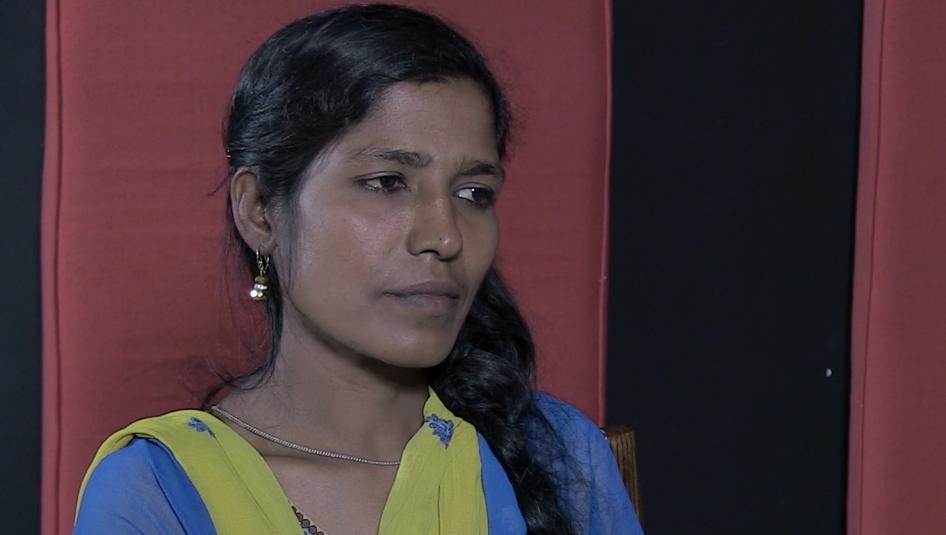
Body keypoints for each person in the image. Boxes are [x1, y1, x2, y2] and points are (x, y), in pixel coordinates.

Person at [73, 4, 644, 534]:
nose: (445, 237)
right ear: (260, 211)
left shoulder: (552, 457)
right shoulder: (161, 490)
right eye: (387, 183)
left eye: (473, 193)